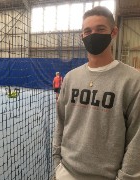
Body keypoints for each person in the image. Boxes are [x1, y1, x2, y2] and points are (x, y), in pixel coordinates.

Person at [53, 6, 140, 180]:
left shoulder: (133, 80)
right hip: (66, 172)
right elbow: (61, 122)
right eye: (88, 31)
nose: (93, 34)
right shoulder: (71, 78)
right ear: (82, 36)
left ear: (113, 32)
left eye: (100, 29)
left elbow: (136, 138)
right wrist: (57, 161)